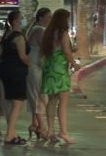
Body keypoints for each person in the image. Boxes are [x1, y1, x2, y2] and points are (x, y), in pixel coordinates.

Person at [41, 9, 80, 144]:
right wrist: (74, 64)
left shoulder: (49, 33)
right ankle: (63, 132)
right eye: (67, 19)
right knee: (63, 101)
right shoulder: (63, 33)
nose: (68, 21)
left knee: (51, 100)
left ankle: (50, 130)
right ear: (63, 20)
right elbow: (66, 52)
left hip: (50, 67)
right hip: (60, 68)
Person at [0, 10, 31, 145]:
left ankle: (13, 133)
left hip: (6, 70)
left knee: (12, 103)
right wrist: (32, 64)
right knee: (18, 103)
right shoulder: (19, 36)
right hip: (16, 71)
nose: (23, 20)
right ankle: (9, 135)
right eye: (22, 18)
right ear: (16, 21)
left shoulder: (6, 35)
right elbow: (23, 56)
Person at [26, 8, 52, 140]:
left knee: (37, 95)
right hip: (34, 67)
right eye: (48, 17)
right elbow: (47, 48)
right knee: (39, 97)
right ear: (40, 18)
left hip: (36, 67)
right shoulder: (39, 30)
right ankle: (42, 127)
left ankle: (35, 124)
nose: (50, 20)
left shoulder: (36, 29)